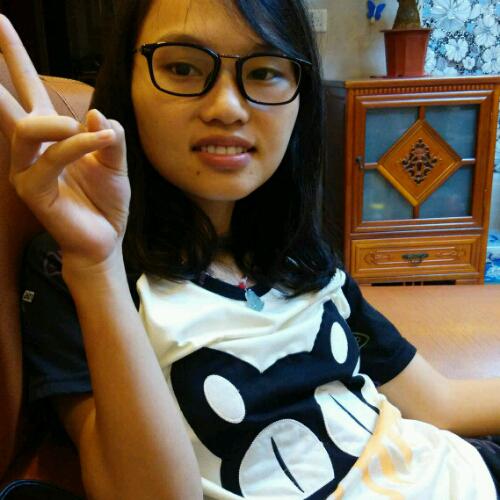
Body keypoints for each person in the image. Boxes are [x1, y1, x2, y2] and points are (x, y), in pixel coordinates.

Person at [0, 1, 499, 499]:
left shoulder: (298, 254)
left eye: (263, 72)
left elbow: (437, 403)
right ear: (126, 83)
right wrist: (96, 265)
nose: (227, 108)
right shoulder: (77, 269)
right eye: (182, 68)